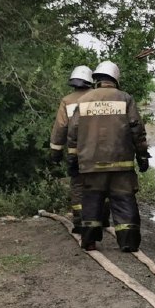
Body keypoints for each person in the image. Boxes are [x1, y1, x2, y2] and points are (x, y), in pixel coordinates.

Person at [66, 61, 150, 252]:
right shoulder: (125, 99)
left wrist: (72, 159)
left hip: (91, 164)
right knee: (124, 200)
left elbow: (73, 132)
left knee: (92, 201)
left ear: (97, 79)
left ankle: (89, 242)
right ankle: (128, 242)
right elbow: (136, 129)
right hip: (121, 165)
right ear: (115, 79)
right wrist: (142, 155)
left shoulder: (84, 100)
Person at [49, 66, 93, 233]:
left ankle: (80, 222)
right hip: (99, 150)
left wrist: (56, 152)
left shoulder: (67, 101)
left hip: (77, 153)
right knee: (100, 186)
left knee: (77, 186)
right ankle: (102, 219)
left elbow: (60, 127)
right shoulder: (97, 97)